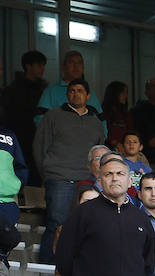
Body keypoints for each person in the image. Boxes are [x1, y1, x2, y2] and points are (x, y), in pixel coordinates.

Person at [32, 77, 106, 263]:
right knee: (56, 222)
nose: (75, 94)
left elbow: (100, 153)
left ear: (88, 96)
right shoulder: (53, 115)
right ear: (67, 94)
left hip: (87, 180)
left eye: (80, 90)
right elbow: (40, 146)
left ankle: (76, 269)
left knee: (85, 226)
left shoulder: (96, 123)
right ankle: (47, 269)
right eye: (72, 91)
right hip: (59, 178)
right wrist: (47, 173)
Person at [3, 50, 46, 185]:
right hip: (19, 139)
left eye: (43, 65)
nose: (42, 69)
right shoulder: (13, 90)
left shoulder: (44, 90)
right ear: (28, 66)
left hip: (39, 139)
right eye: (39, 65)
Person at [34, 50, 103, 125]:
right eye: (71, 62)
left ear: (83, 68)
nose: (76, 66)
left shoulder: (90, 93)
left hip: (89, 136)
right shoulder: (51, 91)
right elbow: (40, 119)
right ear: (63, 67)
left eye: (79, 63)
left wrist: (102, 136)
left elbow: (102, 120)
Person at [0, 125, 27, 224]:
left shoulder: (8, 136)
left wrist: (16, 184)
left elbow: (20, 166)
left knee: (10, 238)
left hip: (7, 204)